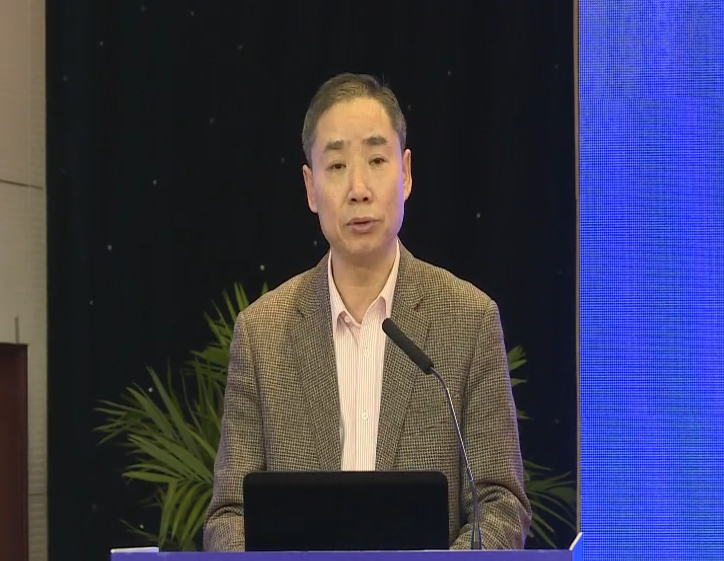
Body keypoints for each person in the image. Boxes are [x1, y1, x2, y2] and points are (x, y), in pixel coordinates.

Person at [203, 72, 532, 550]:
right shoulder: (262, 332)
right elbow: (230, 516)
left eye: (376, 160)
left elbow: (499, 505)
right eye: (337, 166)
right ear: (310, 187)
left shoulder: (469, 319)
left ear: (406, 173)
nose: (358, 188)